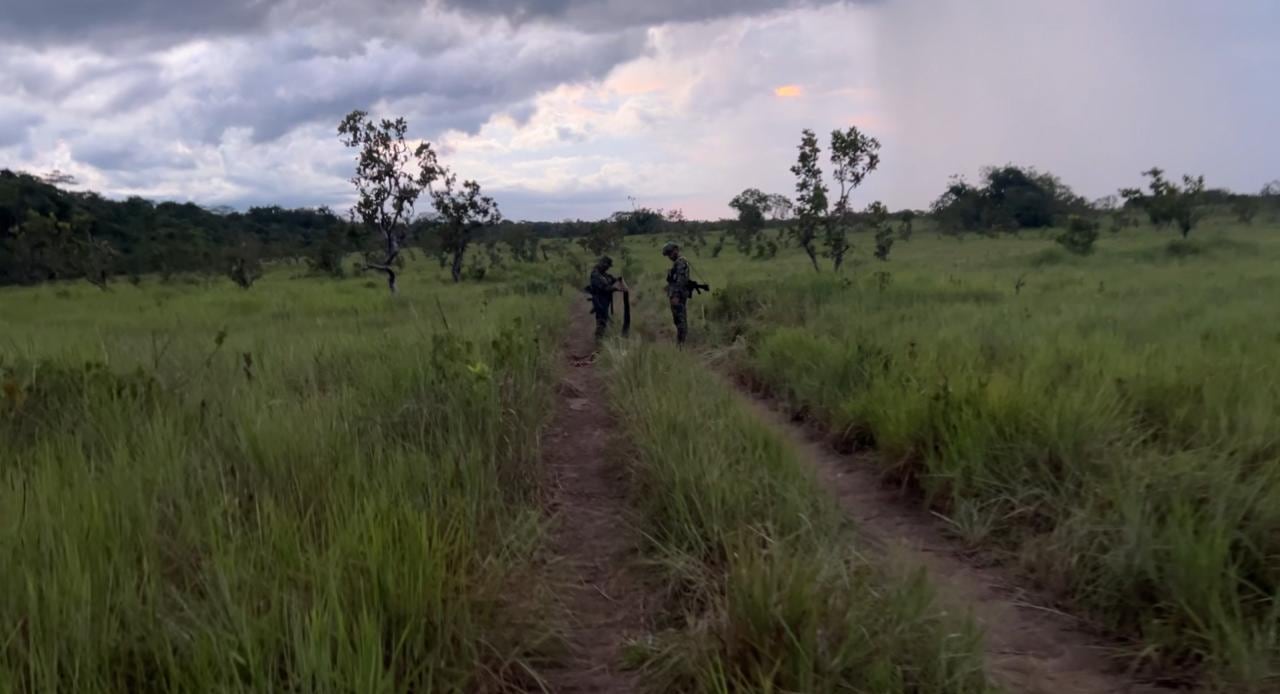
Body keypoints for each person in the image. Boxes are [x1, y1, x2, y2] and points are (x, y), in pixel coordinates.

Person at [586, 255, 621, 342]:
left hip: (604, 300)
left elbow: (609, 279)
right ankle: (598, 341)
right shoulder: (596, 274)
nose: (608, 268)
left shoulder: (602, 273)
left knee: (604, 319)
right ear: (603, 264)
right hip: (599, 300)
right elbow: (603, 287)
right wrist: (614, 288)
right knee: (602, 320)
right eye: (607, 266)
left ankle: (600, 339)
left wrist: (616, 280)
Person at [662, 241, 691, 344]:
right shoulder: (677, 263)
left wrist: (675, 295)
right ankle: (681, 342)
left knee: (680, 320)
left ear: (676, 250)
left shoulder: (681, 262)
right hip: (676, 295)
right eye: (668, 254)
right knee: (678, 320)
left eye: (670, 253)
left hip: (678, 296)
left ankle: (681, 344)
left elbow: (680, 282)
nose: (669, 256)